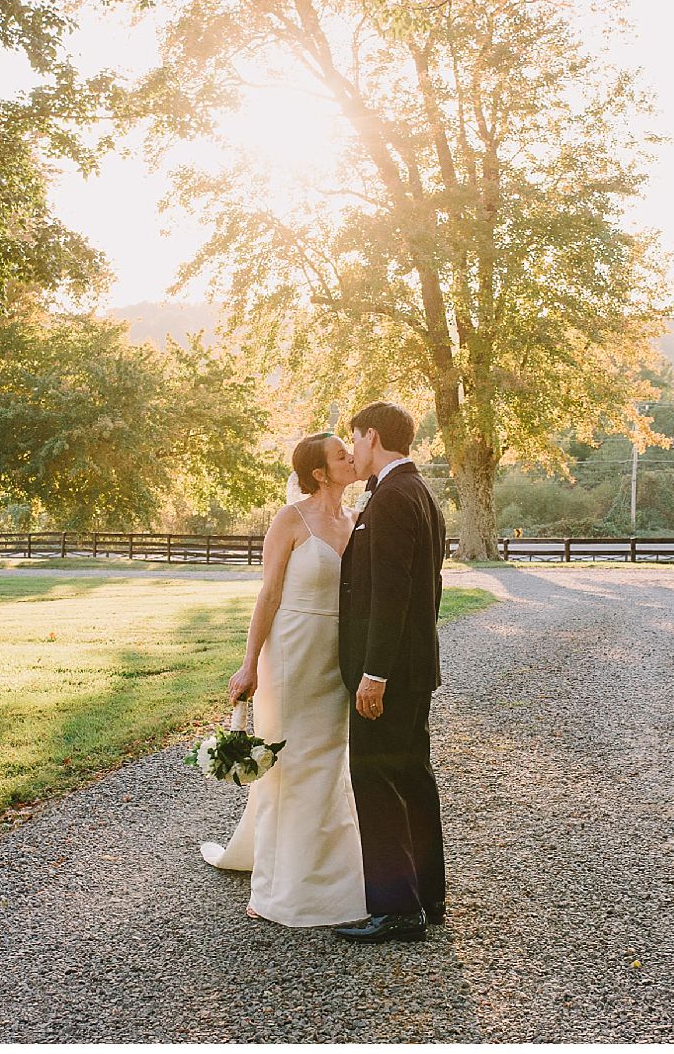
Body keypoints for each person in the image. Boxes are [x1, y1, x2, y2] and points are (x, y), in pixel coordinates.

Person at [200, 432, 368, 927]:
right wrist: (249, 663)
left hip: (339, 656)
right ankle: (275, 886)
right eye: (341, 455)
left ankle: (331, 877)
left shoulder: (357, 521)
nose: (351, 458)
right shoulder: (290, 520)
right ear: (319, 473)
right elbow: (268, 594)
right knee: (288, 762)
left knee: (330, 761)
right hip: (292, 653)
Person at [333, 401, 448, 943]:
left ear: (371, 436)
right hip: (414, 665)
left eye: (353, 439)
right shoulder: (420, 494)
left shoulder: (395, 498)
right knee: (410, 776)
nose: (351, 450)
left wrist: (374, 672)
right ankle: (426, 894)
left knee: (377, 778)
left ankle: (398, 909)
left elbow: (393, 595)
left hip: (390, 670)